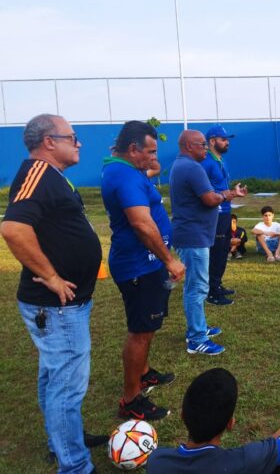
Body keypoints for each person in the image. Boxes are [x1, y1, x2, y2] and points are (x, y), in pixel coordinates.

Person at [1, 114, 105, 473]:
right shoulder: (36, 174)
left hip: (66, 305)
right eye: (72, 137)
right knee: (66, 386)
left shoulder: (53, 177)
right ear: (49, 141)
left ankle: (62, 440)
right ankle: (74, 464)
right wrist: (51, 276)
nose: (78, 143)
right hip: (58, 305)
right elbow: (14, 229)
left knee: (55, 376)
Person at [102, 120, 186, 421]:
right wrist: (170, 260)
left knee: (148, 328)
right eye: (149, 151)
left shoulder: (127, 170)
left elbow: (146, 178)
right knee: (140, 332)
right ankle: (131, 398)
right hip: (140, 266)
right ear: (133, 149)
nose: (154, 156)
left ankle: (145, 373)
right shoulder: (124, 176)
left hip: (146, 264)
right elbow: (140, 223)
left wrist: (149, 167)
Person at [146, 368, 280, 474]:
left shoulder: (157, 461)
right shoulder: (244, 461)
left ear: (183, 415)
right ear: (230, 424)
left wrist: (270, 445)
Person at [170, 130, 245, 356]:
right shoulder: (192, 168)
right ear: (189, 146)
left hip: (193, 234)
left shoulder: (181, 165)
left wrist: (228, 193)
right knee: (197, 287)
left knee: (197, 285)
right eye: (202, 145)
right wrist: (226, 195)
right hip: (193, 236)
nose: (205, 149)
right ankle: (196, 339)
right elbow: (210, 198)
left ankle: (199, 327)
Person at [201, 125, 247, 306]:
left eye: (227, 139)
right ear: (212, 141)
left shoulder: (220, 160)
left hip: (225, 211)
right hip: (215, 214)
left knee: (222, 251)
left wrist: (235, 193)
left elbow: (221, 189)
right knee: (216, 252)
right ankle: (211, 291)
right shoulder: (206, 162)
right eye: (223, 139)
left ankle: (217, 284)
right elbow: (204, 191)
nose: (227, 142)